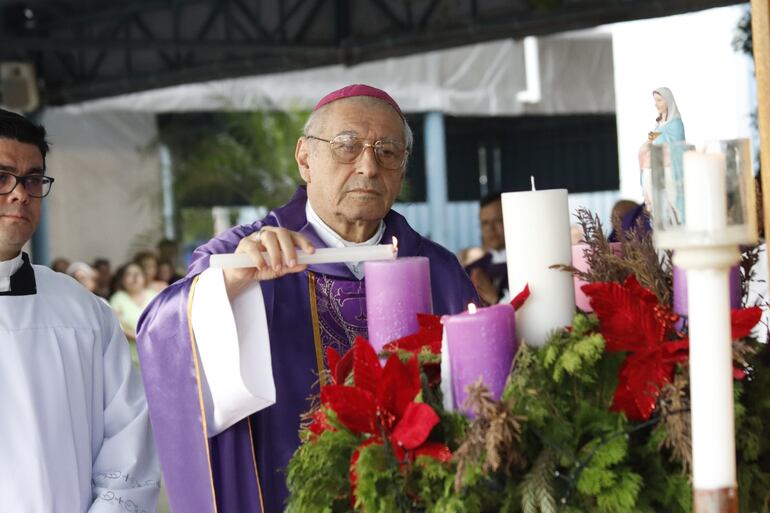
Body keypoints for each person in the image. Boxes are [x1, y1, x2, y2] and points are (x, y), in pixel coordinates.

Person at [137, 84, 477, 513]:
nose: (369, 166)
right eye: (347, 147)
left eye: (388, 151)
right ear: (305, 159)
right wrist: (233, 285)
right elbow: (162, 333)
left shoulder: (438, 271)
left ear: (403, 169)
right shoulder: (246, 254)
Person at [0, 108, 159, 512]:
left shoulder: (84, 313)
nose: (20, 193)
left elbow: (129, 451)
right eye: (1, 177)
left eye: (32, 179)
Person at [465, 192, 509, 305]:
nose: (490, 229)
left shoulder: (528, 264)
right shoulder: (470, 270)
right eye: (485, 223)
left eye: (498, 221)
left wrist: (497, 299)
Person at [110, 262, 158, 364]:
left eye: (138, 273)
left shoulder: (154, 295)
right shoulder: (117, 299)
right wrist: (139, 337)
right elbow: (116, 327)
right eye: (129, 274)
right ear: (122, 280)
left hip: (155, 356)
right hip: (130, 359)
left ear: (144, 278)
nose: (134, 277)